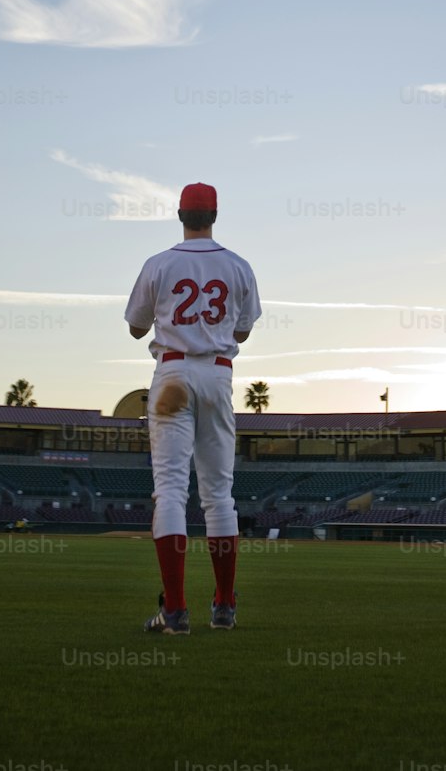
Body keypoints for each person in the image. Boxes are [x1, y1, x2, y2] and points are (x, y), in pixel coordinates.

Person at [125, 181, 262, 634]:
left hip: (173, 373)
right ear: (215, 216)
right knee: (219, 494)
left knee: (169, 490)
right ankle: (223, 606)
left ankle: (176, 611)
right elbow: (242, 332)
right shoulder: (238, 265)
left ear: (180, 215)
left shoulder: (159, 263)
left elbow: (135, 328)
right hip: (217, 374)